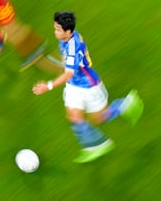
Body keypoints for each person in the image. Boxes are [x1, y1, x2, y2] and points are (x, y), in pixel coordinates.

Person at [32, 11, 144, 163]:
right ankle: (95, 146)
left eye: (58, 29)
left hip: (89, 86)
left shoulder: (73, 47)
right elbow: (68, 65)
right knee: (73, 116)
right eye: (55, 28)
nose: (55, 32)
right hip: (74, 86)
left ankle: (125, 105)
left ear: (68, 31)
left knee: (98, 119)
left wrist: (48, 86)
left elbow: (69, 73)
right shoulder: (68, 37)